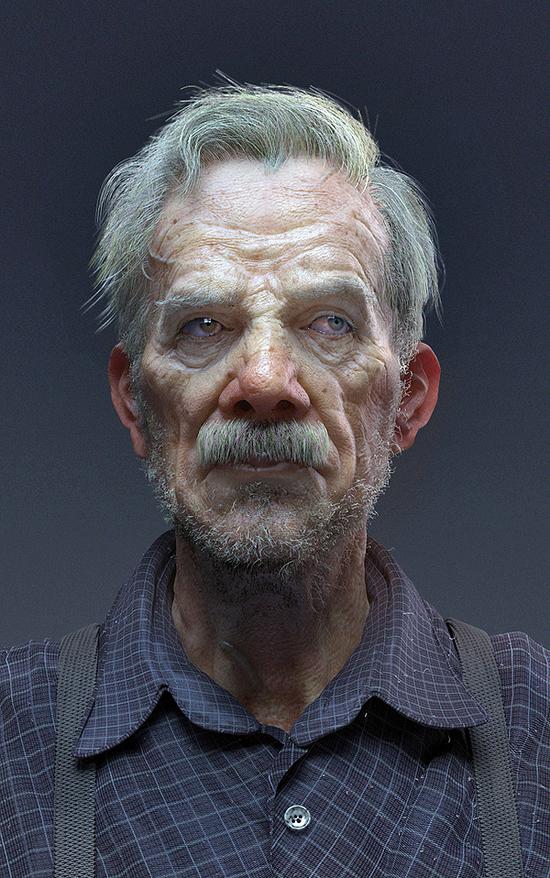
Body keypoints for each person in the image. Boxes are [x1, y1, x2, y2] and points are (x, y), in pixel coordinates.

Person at [1, 83, 547, 877]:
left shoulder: (534, 729)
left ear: (406, 400)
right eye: (202, 326)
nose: (262, 380)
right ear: (135, 403)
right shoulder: (13, 743)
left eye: (330, 323)